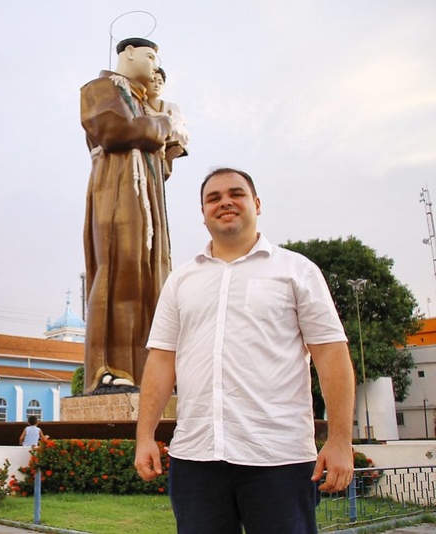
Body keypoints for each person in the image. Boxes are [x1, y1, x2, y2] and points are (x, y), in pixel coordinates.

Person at [134, 168, 356, 533]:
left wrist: (339, 440)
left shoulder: (296, 271)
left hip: (278, 459)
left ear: (256, 203)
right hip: (196, 458)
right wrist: (145, 436)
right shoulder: (181, 281)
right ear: (203, 212)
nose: (225, 202)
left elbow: (331, 355)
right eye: (213, 197)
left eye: (236, 193)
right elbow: (161, 361)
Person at [80, 37, 175, 393]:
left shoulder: (144, 102)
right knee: (118, 270)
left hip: (148, 197)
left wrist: (163, 136)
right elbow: (115, 131)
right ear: (129, 54)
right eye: (150, 56)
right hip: (117, 186)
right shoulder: (99, 88)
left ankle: (148, 371)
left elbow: (164, 160)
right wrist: (161, 126)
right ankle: (108, 368)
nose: (154, 64)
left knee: (151, 277)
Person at [144, 67, 189, 178]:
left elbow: (180, 133)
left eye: (160, 82)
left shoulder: (172, 107)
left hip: (163, 156)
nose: (156, 85)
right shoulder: (139, 105)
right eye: (152, 80)